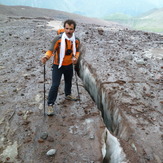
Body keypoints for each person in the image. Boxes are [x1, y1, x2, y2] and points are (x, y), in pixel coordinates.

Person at [41, 19, 80, 116]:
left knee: (68, 81)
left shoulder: (76, 40)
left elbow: (77, 51)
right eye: (66, 28)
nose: (68, 31)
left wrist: (75, 58)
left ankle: (68, 95)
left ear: (74, 30)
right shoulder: (58, 39)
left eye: (70, 29)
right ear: (64, 28)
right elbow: (50, 50)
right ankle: (50, 104)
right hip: (57, 65)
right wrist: (46, 57)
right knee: (55, 85)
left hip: (69, 65)